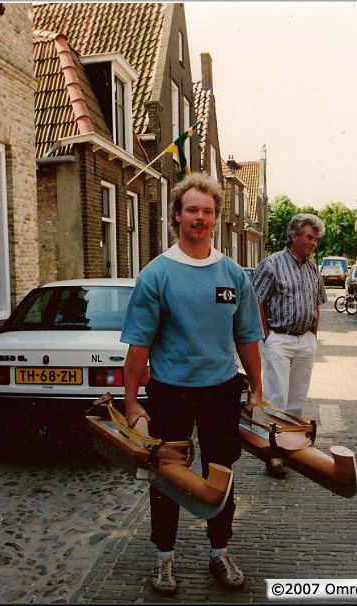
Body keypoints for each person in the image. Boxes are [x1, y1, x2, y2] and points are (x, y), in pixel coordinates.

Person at [120, 172, 263, 595]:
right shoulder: (156, 275)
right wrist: (132, 403)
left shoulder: (234, 274)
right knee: (167, 476)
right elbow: (138, 346)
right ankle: (164, 559)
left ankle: (220, 550)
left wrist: (256, 389)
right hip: (170, 390)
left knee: (221, 473)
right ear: (177, 216)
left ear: (216, 217)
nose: (199, 218)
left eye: (207, 211)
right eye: (192, 210)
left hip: (221, 389)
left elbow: (248, 337)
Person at [251, 214, 327, 479]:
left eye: (316, 239)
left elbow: (317, 303)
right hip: (279, 340)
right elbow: (256, 302)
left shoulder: (313, 269)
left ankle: (290, 448)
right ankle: (271, 454)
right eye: (309, 237)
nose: (313, 243)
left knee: (296, 400)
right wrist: (267, 336)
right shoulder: (270, 265)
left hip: (305, 341)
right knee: (275, 399)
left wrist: (313, 335)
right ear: (293, 235)